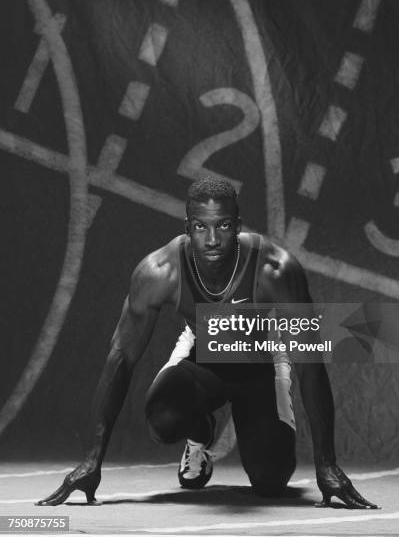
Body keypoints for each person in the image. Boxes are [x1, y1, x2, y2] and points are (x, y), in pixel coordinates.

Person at [37, 176, 377, 509]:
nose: (212, 239)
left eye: (224, 226)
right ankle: (199, 435)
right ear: (188, 227)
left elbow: (310, 362)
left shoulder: (275, 270)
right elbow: (121, 357)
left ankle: (260, 443)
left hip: (260, 361)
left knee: (270, 481)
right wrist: (92, 461)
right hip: (204, 354)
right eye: (201, 227)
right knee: (163, 418)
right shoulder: (159, 271)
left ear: (238, 226)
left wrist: (326, 463)